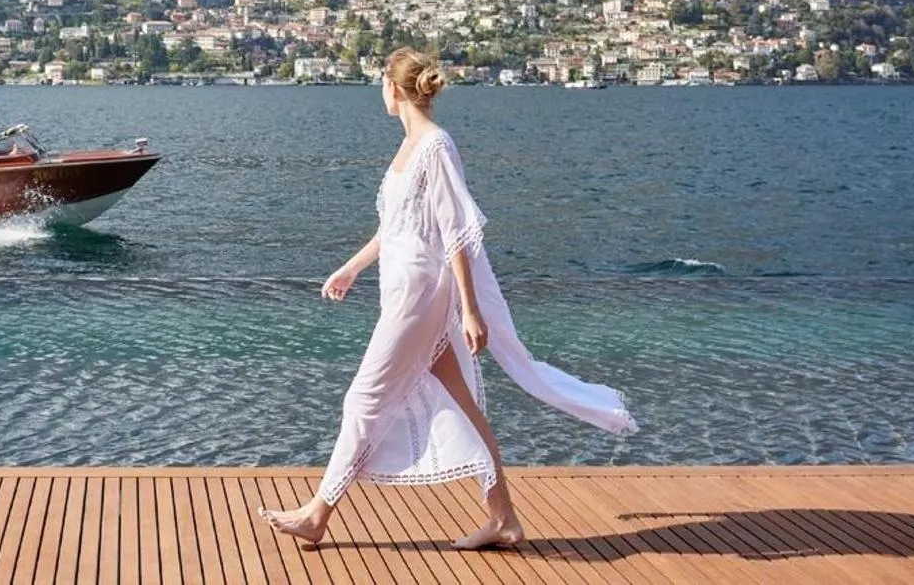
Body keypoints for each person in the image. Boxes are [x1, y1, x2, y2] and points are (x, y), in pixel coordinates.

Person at [258, 48, 637, 551]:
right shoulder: (409, 148)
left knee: (364, 398)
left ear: (394, 90)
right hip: (400, 287)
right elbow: (393, 230)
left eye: (381, 85)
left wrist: (471, 309)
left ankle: (318, 512)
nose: (380, 93)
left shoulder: (436, 146)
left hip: (420, 296)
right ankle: (503, 518)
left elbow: (456, 232)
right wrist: (351, 267)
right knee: (464, 405)